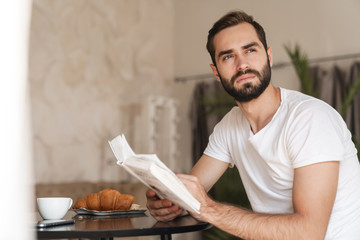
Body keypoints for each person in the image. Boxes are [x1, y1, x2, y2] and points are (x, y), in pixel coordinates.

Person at [146, 10, 360, 239]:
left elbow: (309, 232)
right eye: (228, 56)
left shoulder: (309, 118)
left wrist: (208, 208)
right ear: (216, 72)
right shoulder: (229, 126)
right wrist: (169, 202)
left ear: (269, 56)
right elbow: (190, 195)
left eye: (250, 50)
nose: (242, 65)